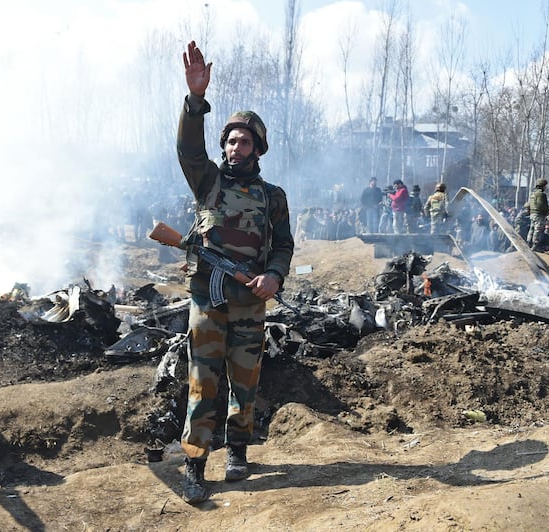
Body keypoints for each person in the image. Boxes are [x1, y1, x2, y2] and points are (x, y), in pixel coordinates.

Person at [177, 41, 294, 504]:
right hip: (208, 299)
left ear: (257, 148)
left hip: (250, 302)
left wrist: (275, 277)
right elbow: (188, 148)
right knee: (203, 382)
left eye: (243, 140)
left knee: (245, 381)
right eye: (229, 139)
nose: (234, 146)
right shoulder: (208, 180)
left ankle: (238, 450)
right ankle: (194, 464)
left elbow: (283, 245)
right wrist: (195, 102)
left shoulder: (273, 196)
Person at [527, 178, 549, 251]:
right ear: (543, 186)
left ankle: (529, 242)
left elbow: (527, 205)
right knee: (538, 230)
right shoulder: (541, 194)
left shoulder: (532, 194)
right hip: (539, 214)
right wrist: (547, 211)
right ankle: (535, 245)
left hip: (532, 214)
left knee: (532, 229)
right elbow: (541, 205)